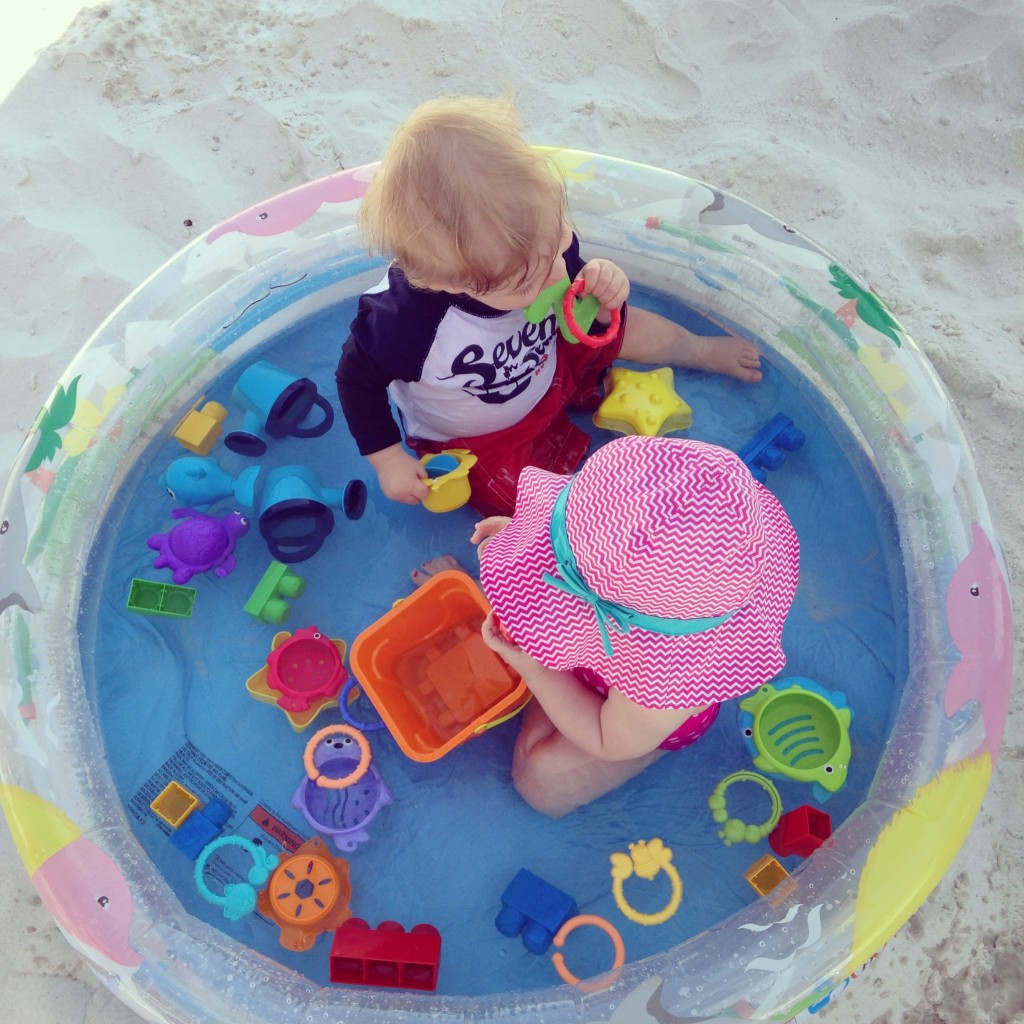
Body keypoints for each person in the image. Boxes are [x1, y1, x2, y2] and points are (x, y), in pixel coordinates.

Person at [336, 95, 763, 517]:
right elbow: (357, 382)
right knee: (520, 505)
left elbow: (574, 286)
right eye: (527, 280)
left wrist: (604, 284)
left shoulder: (534, 242)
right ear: (447, 281)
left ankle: (695, 348)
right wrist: (387, 457)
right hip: (481, 435)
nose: (558, 273)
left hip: (550, 361)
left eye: (558, 242)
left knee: (620, 323)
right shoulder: (406, 325)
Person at [464, 434, 800, 818]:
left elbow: (609, 739)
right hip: (610, 671)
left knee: (537, 782)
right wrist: (524, 539)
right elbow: (608, 548)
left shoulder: (673, 680)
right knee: (523, 631)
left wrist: (536, 669)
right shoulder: (675, 545)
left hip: (631, 723)